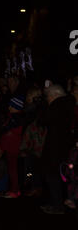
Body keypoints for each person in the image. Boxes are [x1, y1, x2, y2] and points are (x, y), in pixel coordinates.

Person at [39, 84, 75, 214]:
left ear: (53, 95)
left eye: (47, 97)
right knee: (60, 175)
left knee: (53, 175)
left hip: (56, 146)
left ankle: (57, 205)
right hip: (65, 145)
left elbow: (43, 120)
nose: (47, 99)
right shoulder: (68, 105)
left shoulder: (56, 106)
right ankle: (57, 203)